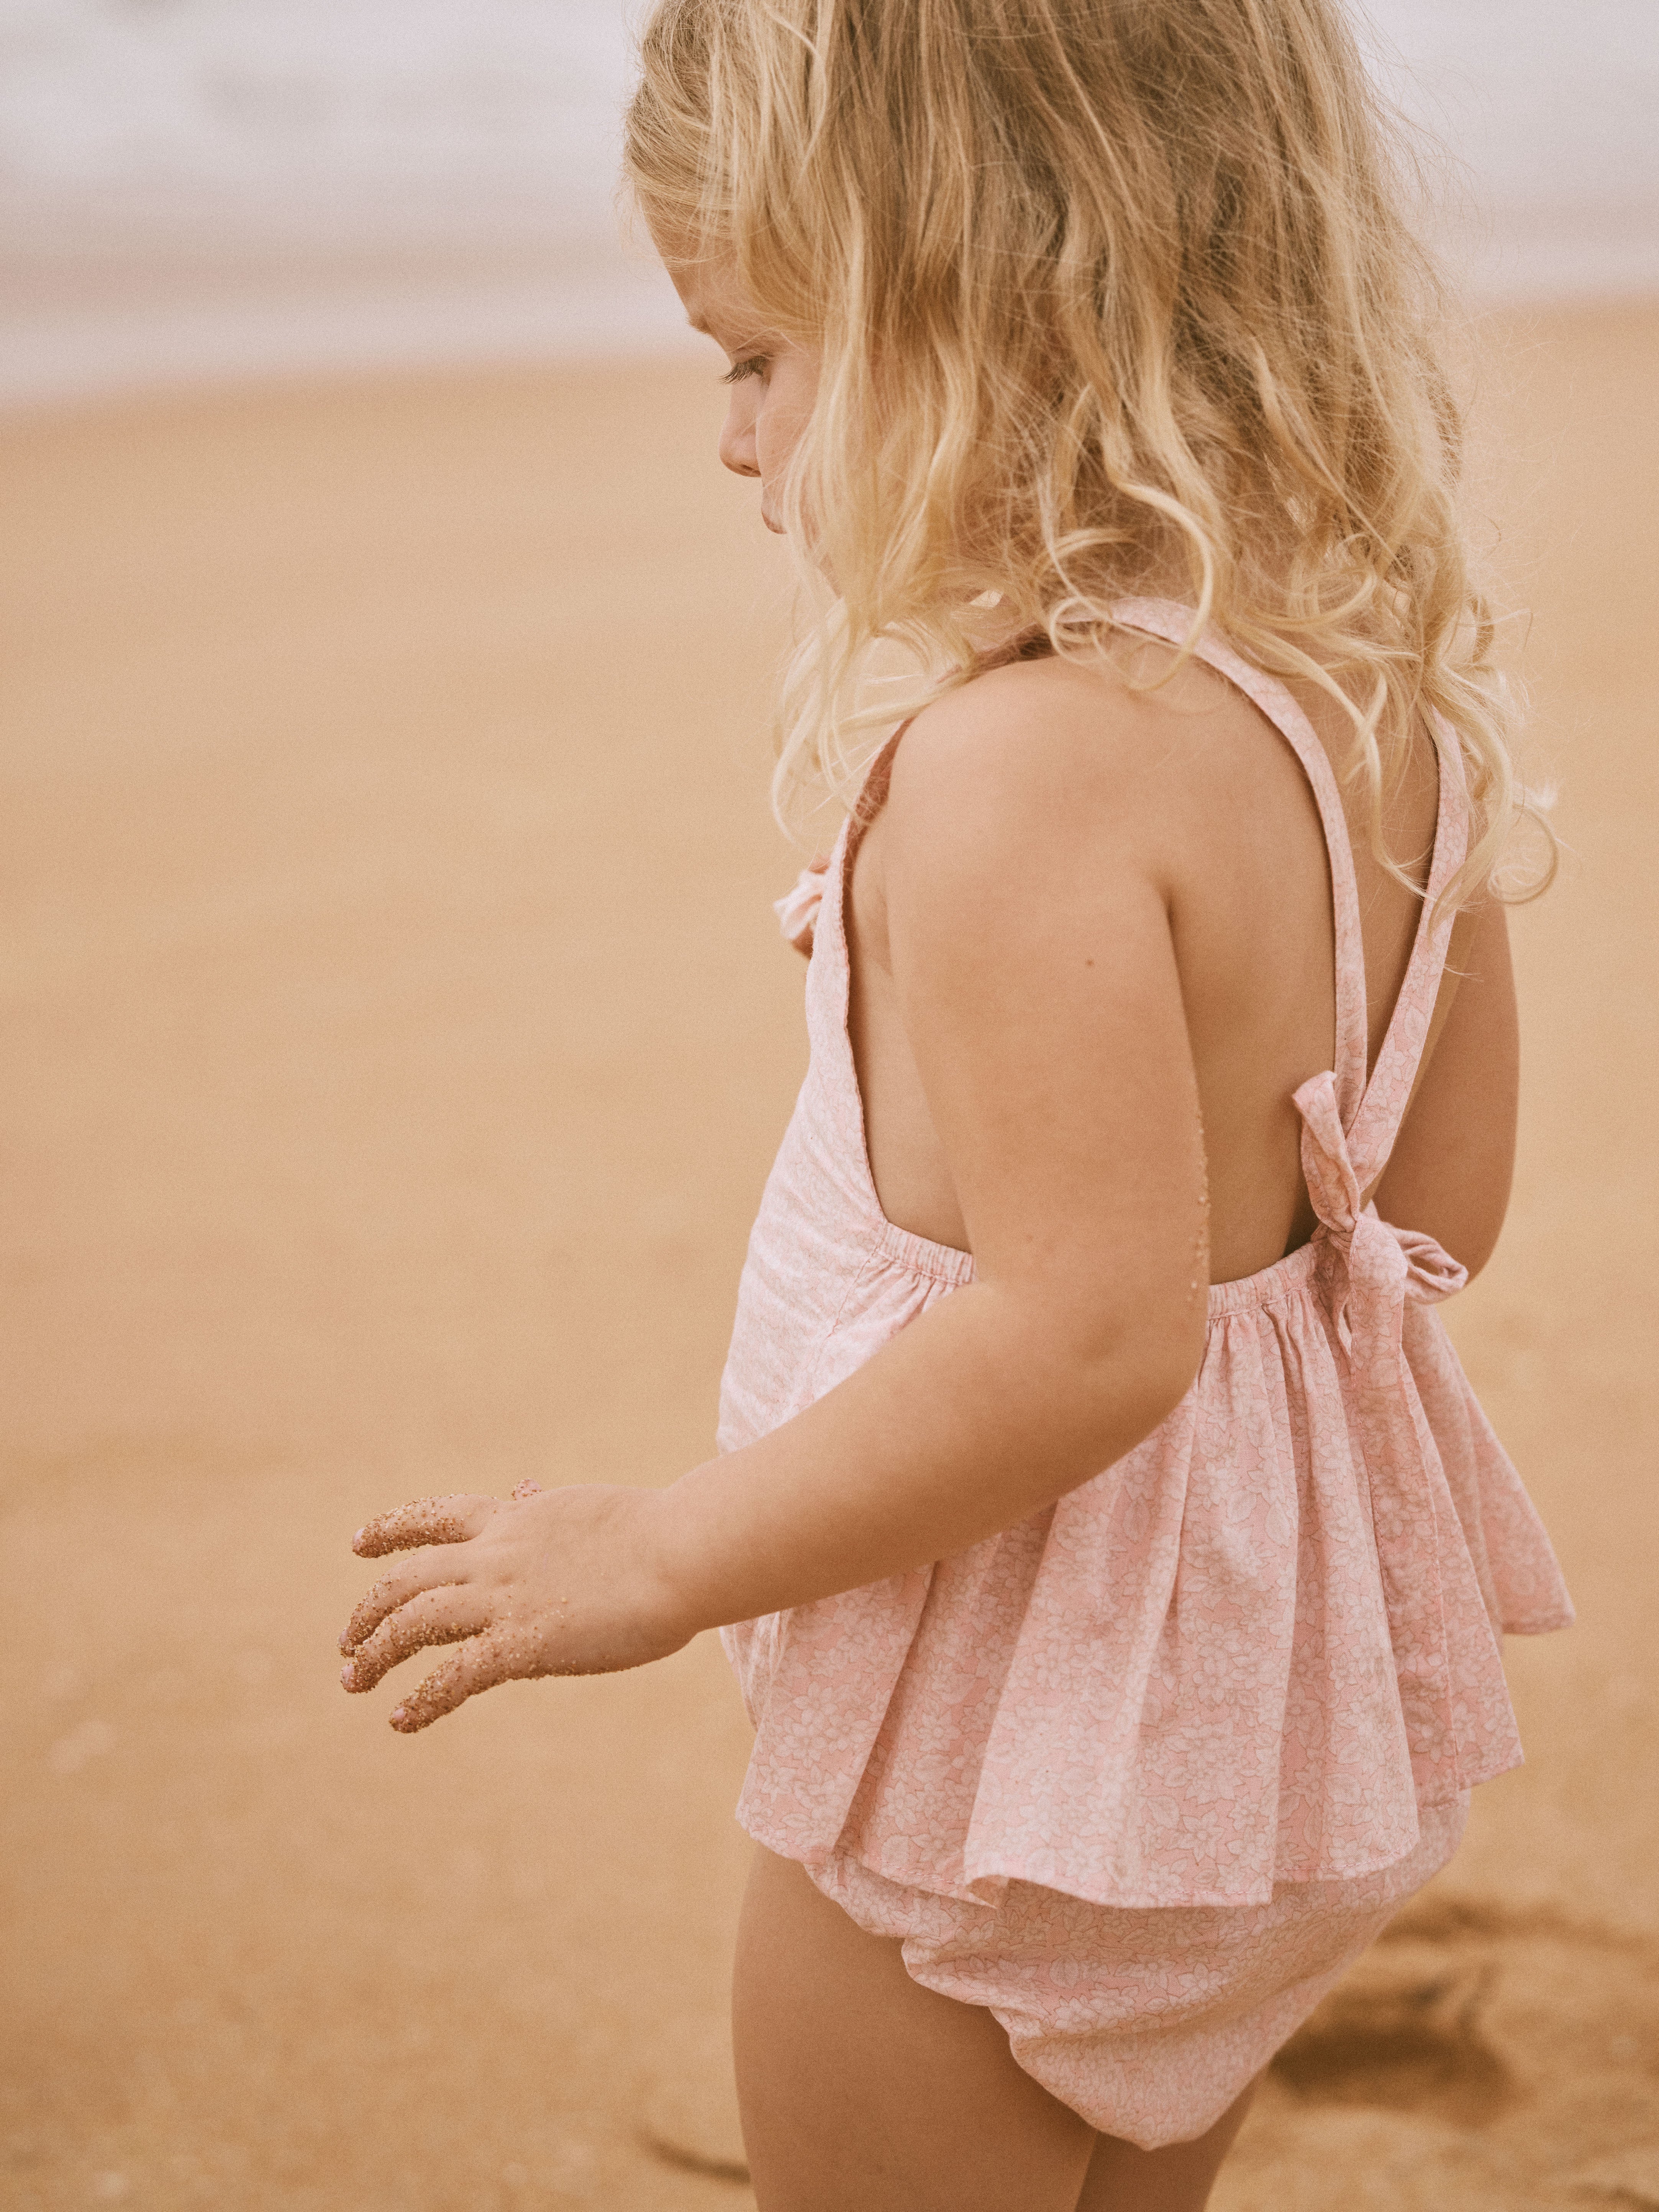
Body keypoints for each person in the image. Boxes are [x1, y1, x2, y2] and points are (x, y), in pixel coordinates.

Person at [338, 2, 1573, 2203]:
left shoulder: (1019, 779)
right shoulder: (1380, 698)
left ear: (989, 299)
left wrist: (661, 1555)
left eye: (759, 355)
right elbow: (1429, 1211)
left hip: (993, 1758)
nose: (734, 440)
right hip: (1249, 1757)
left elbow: (1095, 1335)